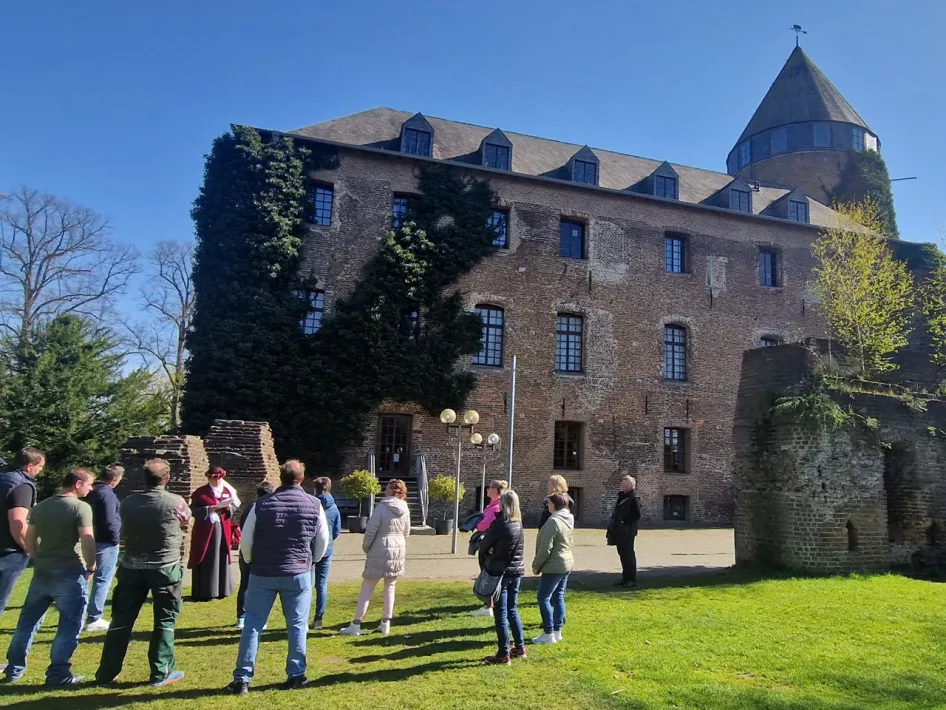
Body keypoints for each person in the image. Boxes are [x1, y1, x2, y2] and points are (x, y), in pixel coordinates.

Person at [226, 460, 328, 695]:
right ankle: (296, 674)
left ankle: (242, 678)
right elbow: (322, 541)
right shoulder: (314, 504)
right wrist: (311, 560)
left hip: (263, 571)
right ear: (302, 479)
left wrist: (252, 562)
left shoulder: (261, 505)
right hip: (298, 572)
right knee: (297, 625)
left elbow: (246, 541)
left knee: (252, 624)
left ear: (280, 478)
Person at [95, 458, 191, 688]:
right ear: (166, 479)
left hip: (131, 567)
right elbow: (187, 523)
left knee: (121, 621)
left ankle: (106, 674)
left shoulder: (127, 502)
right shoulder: (175, 501)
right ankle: (161, 672)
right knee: (165, 621)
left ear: (144, 478)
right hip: (165, 567)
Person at [3, 468, 95, 686]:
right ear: (78, 484)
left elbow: (30, 538)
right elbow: (88, 540)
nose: (91, 489)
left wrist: (37, 558)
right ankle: (58, 674)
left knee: (27, 623)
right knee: (69, 625)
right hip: (70, 572)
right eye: (89, 484)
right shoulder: (81, 507)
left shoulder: (41, 506)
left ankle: (14, 670)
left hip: (43, 572)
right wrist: (91, 566)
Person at [339, 479, 411, 637]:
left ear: (390, 491)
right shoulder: (405, 508)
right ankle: (386, 623)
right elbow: (407, 531)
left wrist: (366, 547)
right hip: (398, 548)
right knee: (390, 587)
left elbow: (371, 530)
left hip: (380, 546)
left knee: (367, 587)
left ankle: (356, 623)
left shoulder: (382, 507)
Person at [478, 490, 526, 665]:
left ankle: (503, 653)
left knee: (501, 612)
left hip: (501, 573)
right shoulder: (518, 524)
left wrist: (489, 551)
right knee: (512, 609)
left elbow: (485, 545)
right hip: (517, 571)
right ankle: (520, 646)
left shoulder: (501, 524)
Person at [0, 447, 45, 619]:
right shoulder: (22, 486)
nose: (40, 470)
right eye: (40, 466)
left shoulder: (3, 478)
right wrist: (30, 548)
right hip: (8, 552)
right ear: (29, 466)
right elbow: (18, 524)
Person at [188, 465, 240, 601]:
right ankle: (206, 591)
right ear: (208, 478)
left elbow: (233, 508)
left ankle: (223, 590)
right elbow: (193, 510)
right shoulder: (201, 492)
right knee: (207, 557)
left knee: (222, 555)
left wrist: (228, 508)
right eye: (213, 479)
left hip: (223, 528)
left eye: (218, 479)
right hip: (205, 531)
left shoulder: (227, 491)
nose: (216, 482)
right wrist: (209, 509)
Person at [84, 464, 125, 632]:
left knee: (87, 578)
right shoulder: (106, 494)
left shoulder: (91, 492)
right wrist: (116, 539)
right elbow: (110, 521)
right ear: (114, 480)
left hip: (90, 539)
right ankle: (94, 617)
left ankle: (82, 615)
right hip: (105, 542)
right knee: (102, 579)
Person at [531, 492, 574, 645]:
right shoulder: (568, 517)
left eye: (549, 503)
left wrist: (536, 565)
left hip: (554, 565)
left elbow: (545, 548)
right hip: (566, 562)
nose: (547, 506)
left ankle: (549, 632)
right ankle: (557, 630)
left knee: (543, 597)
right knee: (559, 595)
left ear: (555, 504)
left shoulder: (554, 521)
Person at [236, 480, 274, 629]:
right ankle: (258, 617)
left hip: (246, 549)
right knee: (261, 587)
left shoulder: (249, 508)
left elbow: (242, 527)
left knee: (245, 584)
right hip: (261, 552)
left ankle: (241, 616)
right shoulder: (265, 508)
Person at [470, 479, 508, 618]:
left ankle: (488, 606)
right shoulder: (491, 506)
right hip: (487, 543)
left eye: (490, 487)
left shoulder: (496, 507)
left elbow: (482, 525)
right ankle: (488, 604)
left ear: (497, 491)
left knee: (488, 575)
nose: (487, 489)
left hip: (491, 546)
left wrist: (477, 523)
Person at [311, 476, 341, 631]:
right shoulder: (334, 508)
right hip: (327, 549)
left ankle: (302, 617)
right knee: (321, 585)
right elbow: (337, 531)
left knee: (307, 584)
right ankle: (318, 619)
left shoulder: (312, 504)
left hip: (310, 548)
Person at [607, 475, 642, 589]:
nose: (622, 486)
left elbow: (637, 514)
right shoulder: (622, 497)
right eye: (622, 484)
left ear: (631, 486)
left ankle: (631, 579)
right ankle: (625, 577)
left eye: (625, 484)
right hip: (619, 531)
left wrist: (624, 521)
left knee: (628, 555)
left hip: (627, 531)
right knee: (622, 554)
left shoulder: (634, 498)